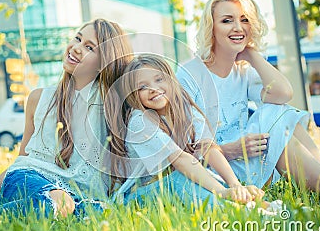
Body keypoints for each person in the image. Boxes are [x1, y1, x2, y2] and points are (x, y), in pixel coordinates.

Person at [0, 18, 133, 219]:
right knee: (61, 202)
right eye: (78, 38)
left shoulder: (112, 104)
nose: (76, 48)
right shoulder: (39, 98)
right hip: (29, 178)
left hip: (77, 195)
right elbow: (22, 162)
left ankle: (42, 208)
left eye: (89, 47)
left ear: (105, 63)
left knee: (100, 212)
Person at [176, 0, 320, 192]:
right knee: (275, 122)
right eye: (227, 21)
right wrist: (234, 149)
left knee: (279, 112)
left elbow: (283, 94)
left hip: (251, 156)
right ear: (212, 28)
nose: (238, 27)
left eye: (244, 20)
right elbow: (191, 146)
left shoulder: (243, 70)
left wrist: (252, 55)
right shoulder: (190, 73)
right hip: (218, 168)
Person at [111, 53, 266, 208]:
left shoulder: (183, 108)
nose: (153, 89)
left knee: (208, 177)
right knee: (182, 179)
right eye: (143, 87)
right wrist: (222, 192)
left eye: (159, 79)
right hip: (139, 195)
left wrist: (235, 185)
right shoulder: (139, 121)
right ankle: (235, 210)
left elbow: (207, 148)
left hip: (176, 183)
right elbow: (180, 160)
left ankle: (255, 205)